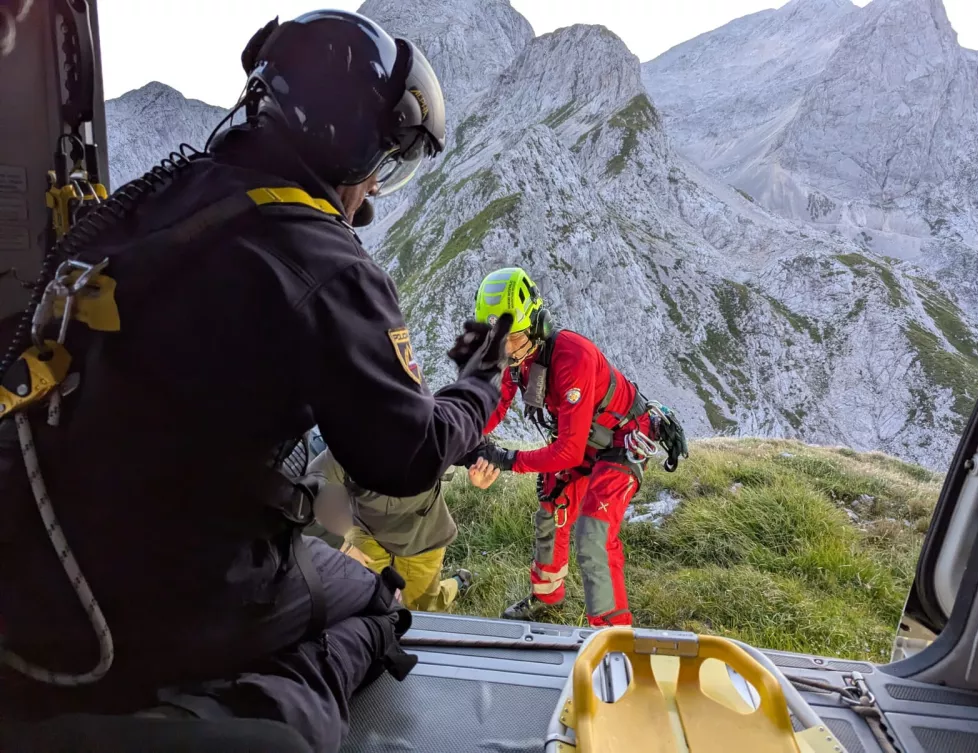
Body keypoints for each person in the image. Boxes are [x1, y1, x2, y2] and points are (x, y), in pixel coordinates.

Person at [0, 10, 512, 753]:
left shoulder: (155, 200)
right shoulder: (322, 258)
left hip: (43, 563)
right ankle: (241, 724)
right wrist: (482, 382)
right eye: (381, 167)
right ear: (354, 145)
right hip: (159, 591)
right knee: (373, 599)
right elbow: (404, 455)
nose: (369, 193)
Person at [466, 267, 688, 628]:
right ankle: (547, 598)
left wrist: (507, 460)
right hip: (587, 436)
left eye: (513, 337)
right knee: (552, 506)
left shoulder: (573, 357)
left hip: (622, 439)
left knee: (593, 535)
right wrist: (460, 435)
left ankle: (614, 637)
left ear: (537, 325)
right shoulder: (520, 358)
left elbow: (567, 452)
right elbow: (497, 404)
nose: (504, 349)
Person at [302, 443, 473, 612]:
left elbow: (471, 440)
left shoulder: (431, 432)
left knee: (423, 606)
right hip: (365, 530)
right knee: (365, 598)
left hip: (422, 535)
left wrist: (481, 467)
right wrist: (342, 546)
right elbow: (298, 500)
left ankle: (457, 582)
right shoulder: (346, 445)